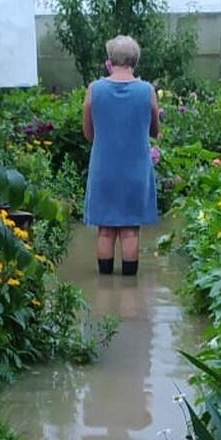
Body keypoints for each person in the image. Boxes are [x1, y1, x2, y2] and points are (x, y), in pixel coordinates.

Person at [82, 35, 161, 276]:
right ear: (135, 60)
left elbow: (88, 133)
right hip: (135, 170)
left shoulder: (94, 90)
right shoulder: (147, 91)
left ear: (110, 59)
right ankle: (129, 289)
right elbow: (155, 131)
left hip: (103, 169)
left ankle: (105, 289)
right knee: (130, 229)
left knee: (105, 229)